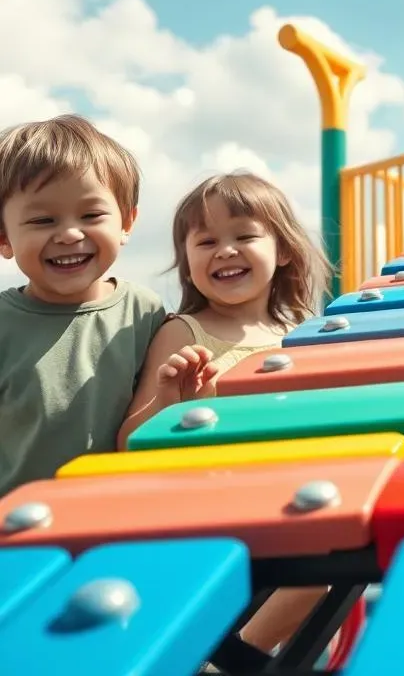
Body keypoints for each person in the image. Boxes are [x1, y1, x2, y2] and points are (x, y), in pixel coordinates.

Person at [118, 170, 335, 659]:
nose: (225, 250)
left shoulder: (307, 331)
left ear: (282, 251)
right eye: (207, 240)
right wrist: (172, 399)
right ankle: (225, 661)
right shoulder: (184, 332)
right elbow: (130, 442)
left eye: (244, 235)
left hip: (285, 501)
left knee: (327, 568)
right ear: (186, 261)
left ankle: (236, 659)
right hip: (206, 510)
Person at [0, 114, 166, 498]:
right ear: (4, 238)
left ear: (126, 223)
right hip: (18, 531)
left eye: (91, 215)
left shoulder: (144, 313)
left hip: (119, 517)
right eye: (43, 219)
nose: (70, 234)